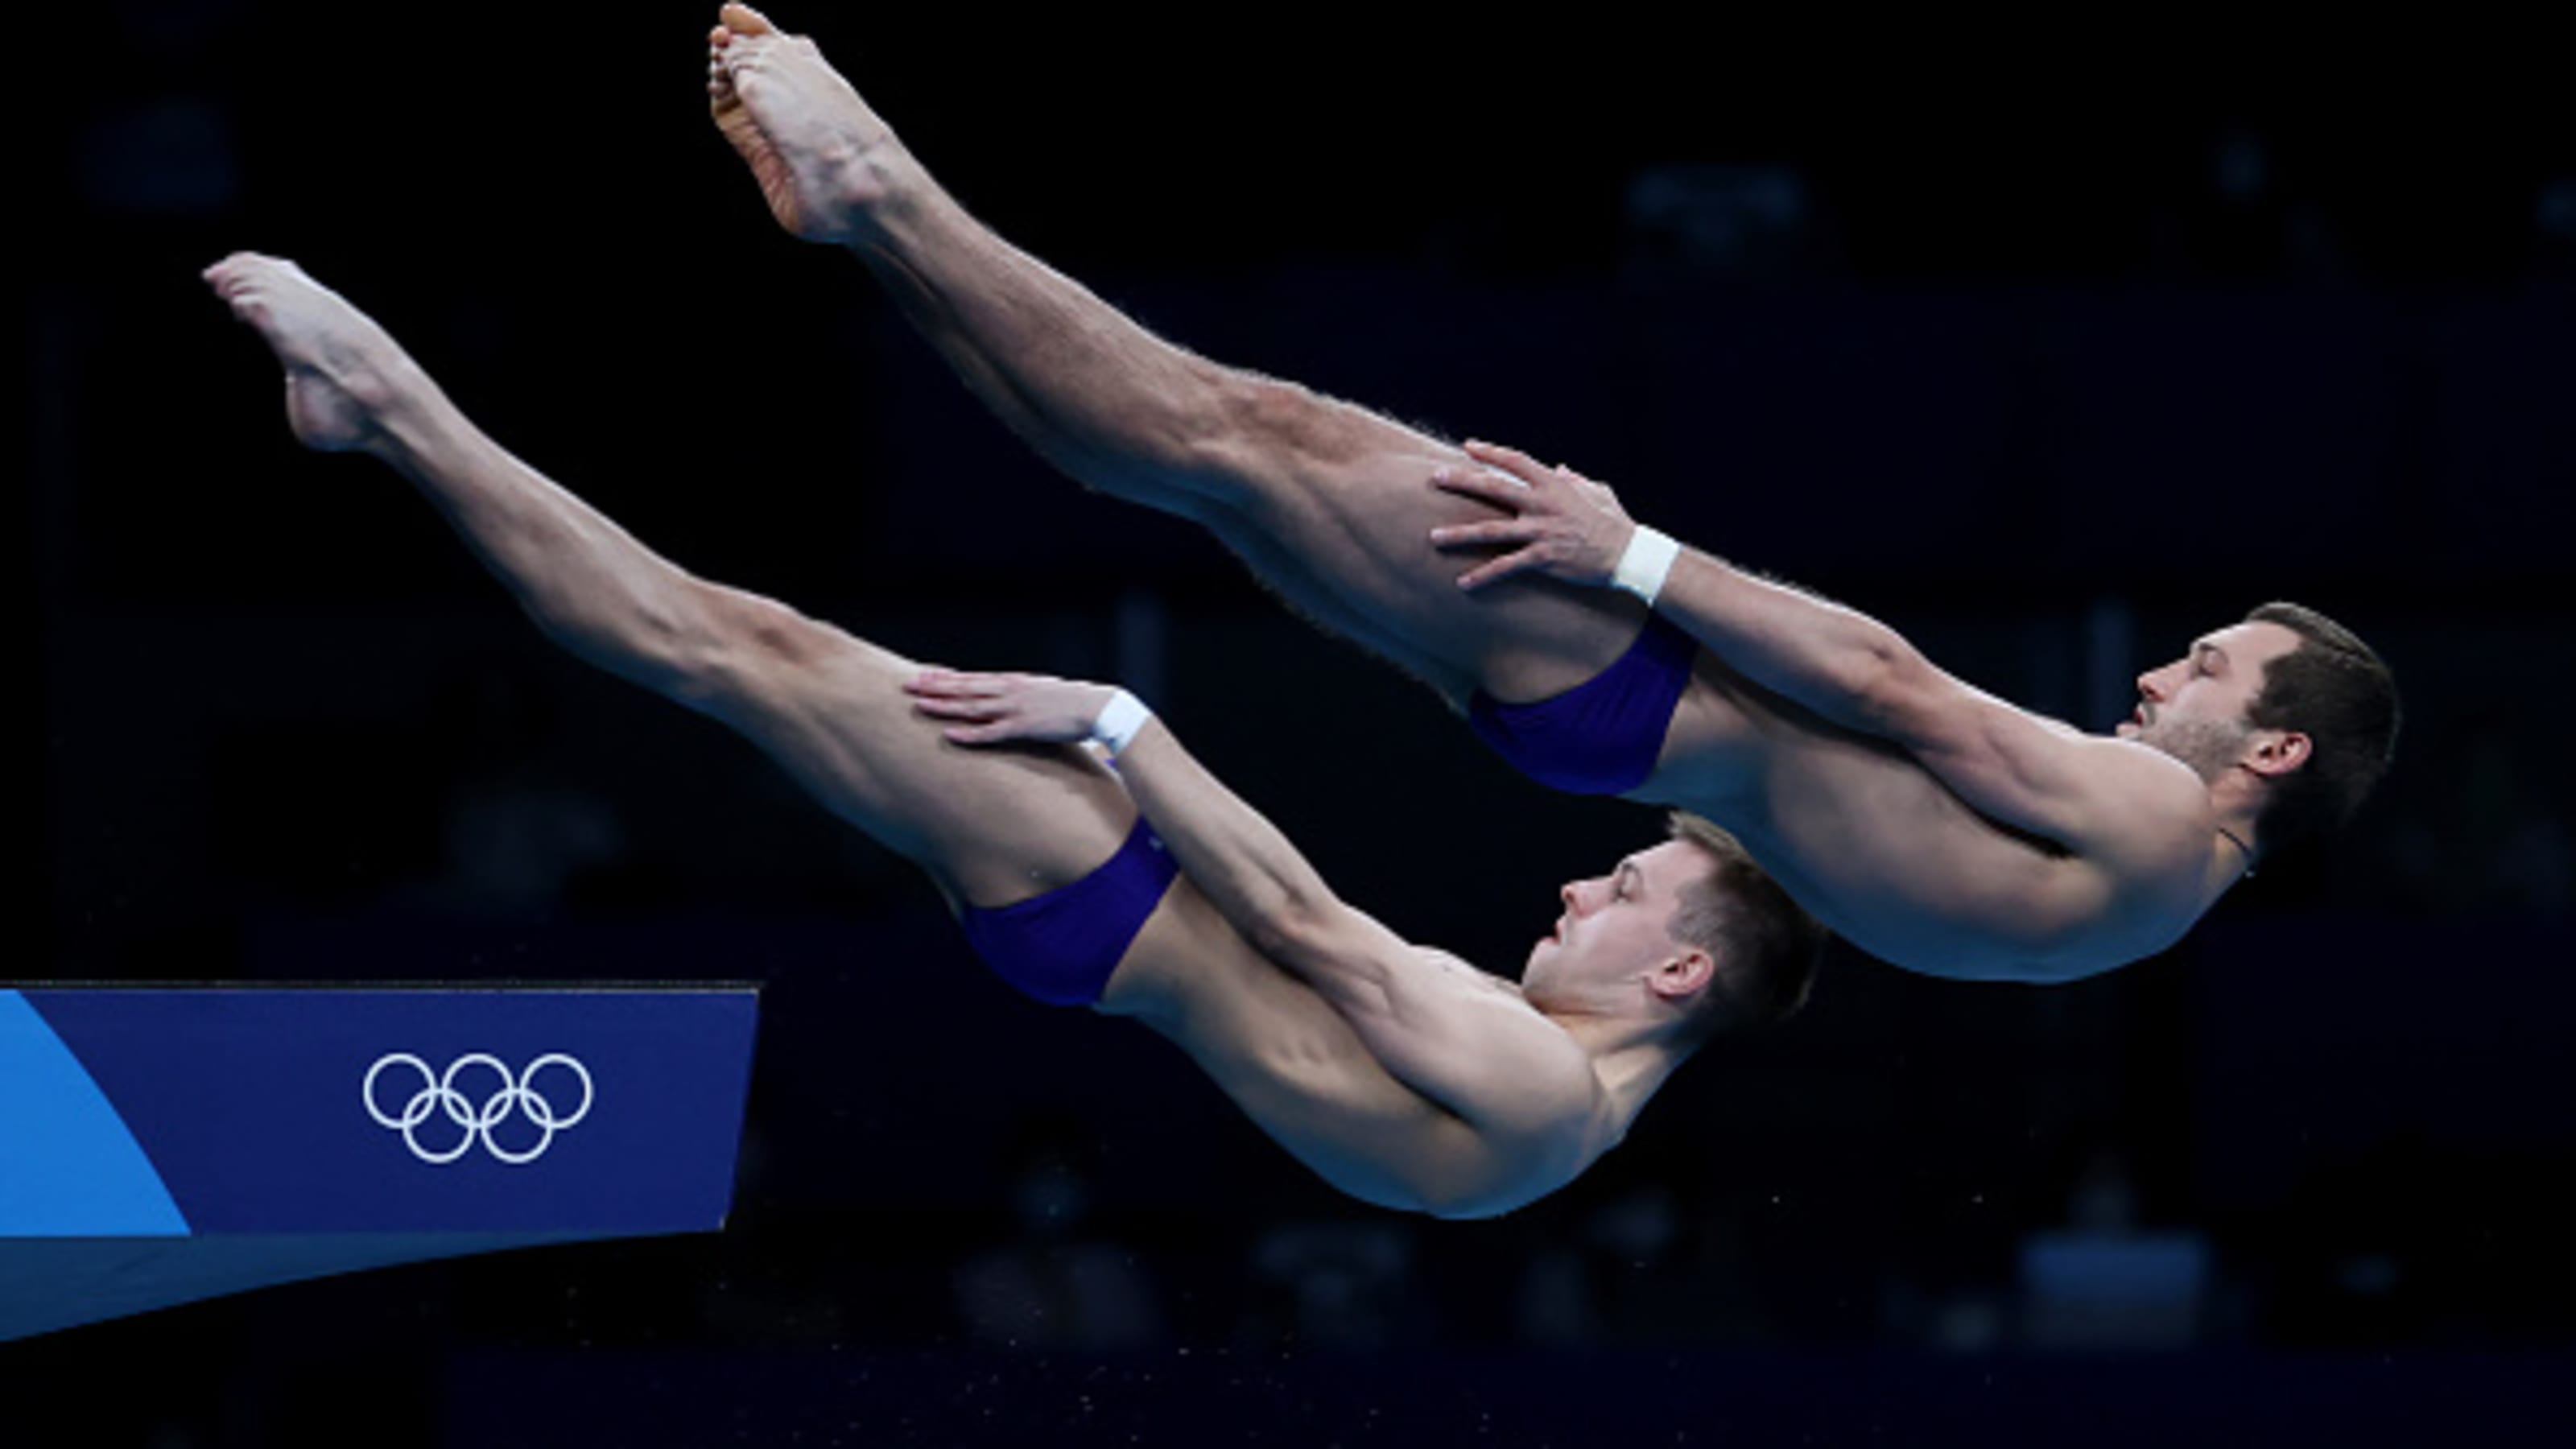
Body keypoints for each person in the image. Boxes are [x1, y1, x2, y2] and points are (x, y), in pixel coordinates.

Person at [702, 6, 2399, 984]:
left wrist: (1631, 553)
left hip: (1634, 675)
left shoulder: (2161, 819)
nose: (2164, 675)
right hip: (1612, 738)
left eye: (2205, 670)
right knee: (1210, 476)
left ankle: (883, 189)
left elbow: (1895, 691)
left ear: (2275, 751)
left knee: (1243, 432)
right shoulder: (2142, 918)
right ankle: (874, 230)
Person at [202, 252, 1823, 1220]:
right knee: (749, 653)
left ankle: (382, 402)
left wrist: (1120, 724)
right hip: (1107, 922)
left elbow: (1303, 925)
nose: (1574, 897)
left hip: (1110, 890)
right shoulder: (1552, 1111)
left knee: (732, 646)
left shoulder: (1538, 1089)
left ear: (1681, 974)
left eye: (1618, 894)